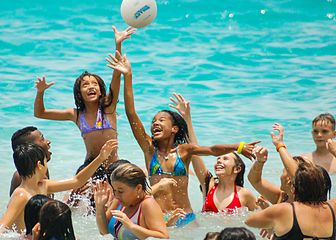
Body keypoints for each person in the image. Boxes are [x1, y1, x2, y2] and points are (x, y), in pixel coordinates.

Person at [107, 52, 258, 222]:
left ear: (174, 129)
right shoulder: (149, 149)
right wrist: (128, 76)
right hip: (159, 218)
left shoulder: (184, 151)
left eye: (161, 120)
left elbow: (212, 150)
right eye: (154, 121)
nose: (155, 123)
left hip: (186, 217)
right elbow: (131, 113)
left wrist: (238, 146)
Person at [34, 26, 135, 166]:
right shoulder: (75, 114)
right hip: (90, 166)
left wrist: (118, 44)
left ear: (100, 91)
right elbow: (40, 113)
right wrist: (40, 93)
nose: (91, 86)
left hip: (113, 166)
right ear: (79, 93)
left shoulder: (108, 108)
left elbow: (117, 72)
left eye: (94, 84)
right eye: (85, 85)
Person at [0, 139, 117, 233]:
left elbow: (77, 181)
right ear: (39, 165)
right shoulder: (21, 194)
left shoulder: (43, 185)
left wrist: (101, 158)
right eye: (45, 162)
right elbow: (2, 227)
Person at [245, 162, 336, 239]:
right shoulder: (332, 207)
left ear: (293, 188)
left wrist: (270, 215)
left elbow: (249, 221)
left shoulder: (285, 209)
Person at [94, 163, 169, 239]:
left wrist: (131, 226)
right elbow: (104, 231)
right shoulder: (119, 201)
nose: (116, 195)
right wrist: (99, 206)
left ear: (138, 188)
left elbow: (163, 237)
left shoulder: (147, 204)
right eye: (114, 190)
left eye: (120, 191)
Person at [9, 126, 52, 196]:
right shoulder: (21, 177)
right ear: (30, 148)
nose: (48, 142)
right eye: (42, 139)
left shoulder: (41, 169)